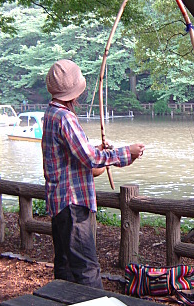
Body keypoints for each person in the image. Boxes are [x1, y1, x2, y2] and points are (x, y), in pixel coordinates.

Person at [42, 59, 145, 290]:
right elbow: (89, 160)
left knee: (66, 265)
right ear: (74, 92)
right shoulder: (65, 118)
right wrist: (126, 153)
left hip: (60, 202)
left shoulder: (50, 113)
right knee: (86, 268)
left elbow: (75, 156)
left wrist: (98, 150)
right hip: (73, 204)